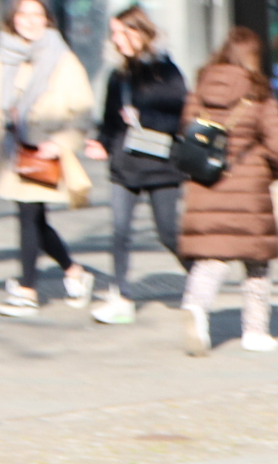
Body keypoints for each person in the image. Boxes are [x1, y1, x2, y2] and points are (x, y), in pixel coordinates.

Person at [0, 0, 96, 319]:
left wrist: (63, 142)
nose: (30, 21)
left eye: (37, 14)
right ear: (13, 19)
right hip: (15, 149)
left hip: (45, 149)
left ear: (47, 20)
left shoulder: (62, 58)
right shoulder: (0, 56)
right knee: (33, 217)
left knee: (28, 215)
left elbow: (82, 110)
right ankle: (73, 270)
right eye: (23, 14)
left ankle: (27, 290)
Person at [176, 26, 278, 355]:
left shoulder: (200, 87)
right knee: (256, 262)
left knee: (211, 257)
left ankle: (196, 307)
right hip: (248, 188)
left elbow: (187, 131)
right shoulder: (259, 91)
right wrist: (274, 172)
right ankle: (255, 331)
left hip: (205, 184)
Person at [83, 4, 187, 324]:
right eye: (113, 33)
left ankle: (199, 276)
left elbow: (179, 116)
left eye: (122, 32)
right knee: (119, 231)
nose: (116, 39)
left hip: (161, 165)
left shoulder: (166, 71)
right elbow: (109, 121)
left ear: (139, 32)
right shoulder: (118, 75)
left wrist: (145, 118)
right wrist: (101, 143)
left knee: (168, 232)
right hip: (124, 165)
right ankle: (122, 297)